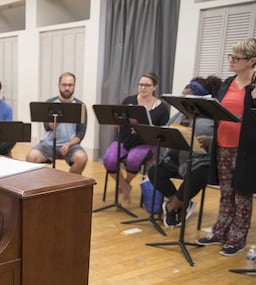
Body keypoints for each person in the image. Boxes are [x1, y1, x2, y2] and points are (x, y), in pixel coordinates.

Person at [196, 38, 256, 256]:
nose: (231, 61)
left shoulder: (255, 85)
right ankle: (220, 232)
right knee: (226, 192)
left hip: (245, 149)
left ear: (252, 61)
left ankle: (237, 238)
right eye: (231, 56)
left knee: (242, 194)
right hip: (222, 144)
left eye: (236, 58)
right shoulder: (227, 83)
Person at [148, 76, 222, 228]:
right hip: (176, 160)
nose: (182, 101)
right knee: (154, 171)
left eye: (185, 97)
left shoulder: (210, 118)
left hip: (198, 162)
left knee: (197, 176)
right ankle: (181, 203)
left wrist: (208, 140)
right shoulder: (180, 115)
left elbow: (218, 140)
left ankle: (171, 207)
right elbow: (166, 129)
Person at [103, 72, 170, 203]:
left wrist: (142, 130)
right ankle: (125, 186)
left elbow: (162, 131)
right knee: (109, 160)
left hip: (146, 143)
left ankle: (126, 183)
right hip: (124, 140)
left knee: (133, 160)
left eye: (147, 85)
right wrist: (116, 122)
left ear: (154, 87)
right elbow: (118, 121)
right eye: (140, 85)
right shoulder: (129, 101)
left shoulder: (162, 108)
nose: (143, 88)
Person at [25, 72, 88, 174]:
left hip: (70, 145)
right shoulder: (50, 103)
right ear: (59, 85)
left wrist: (68, 145)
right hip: (48, 144)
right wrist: (57, 118)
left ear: (74, 86)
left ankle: (69, 185)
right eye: (64, 85)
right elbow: (47, 127)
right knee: (30, 157)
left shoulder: (80, 106)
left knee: (82, 158)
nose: (67, 88)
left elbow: (80, 134)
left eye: (70, 85)